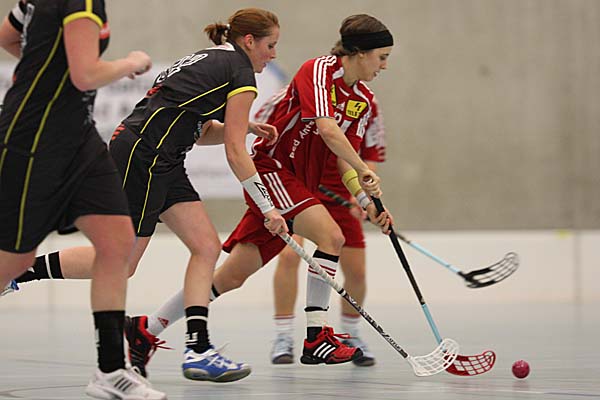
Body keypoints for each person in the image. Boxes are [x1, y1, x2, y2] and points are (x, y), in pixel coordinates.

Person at [2, 7, 287, 383]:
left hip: (160, 156)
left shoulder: (213, 59)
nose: (273, 54)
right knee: (122, 262)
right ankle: (18, 272)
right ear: (249, 41)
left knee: (205, 246)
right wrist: (267, 207)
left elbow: (200, 131)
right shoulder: (240, 72)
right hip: (146, 157)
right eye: (270, 45)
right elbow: (236, 152)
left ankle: (198, 348)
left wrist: (243, 125)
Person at [116, 13, 395, 376]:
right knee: (332, 237)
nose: (384, 66)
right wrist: (363, 168)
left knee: (231, 276)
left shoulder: (363, 100)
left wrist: (366, 200)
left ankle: (146, 329)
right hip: (273, 171)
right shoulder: (319, 70)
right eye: (381, 57)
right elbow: (327, 130)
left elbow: (345, 160)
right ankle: (316, 337)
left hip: (299, 185)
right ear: (359, 53)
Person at [0, 1, 166, 399]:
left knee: (117, 242)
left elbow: (7, 35)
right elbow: (86, 74)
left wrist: (46, 69)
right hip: (35, 137)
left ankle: (111, 370)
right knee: (15, 261)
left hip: (79, 138)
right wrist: (131, 62)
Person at [268, 96, 386, 367]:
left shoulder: (366, 101)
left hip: (343, 193)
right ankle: (283, 336)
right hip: (298, 188)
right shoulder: (290, 96)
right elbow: (263, 141)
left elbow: (370, 153)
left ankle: (351, 334)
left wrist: (362, 197)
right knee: (289, 256)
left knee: (356, 271)